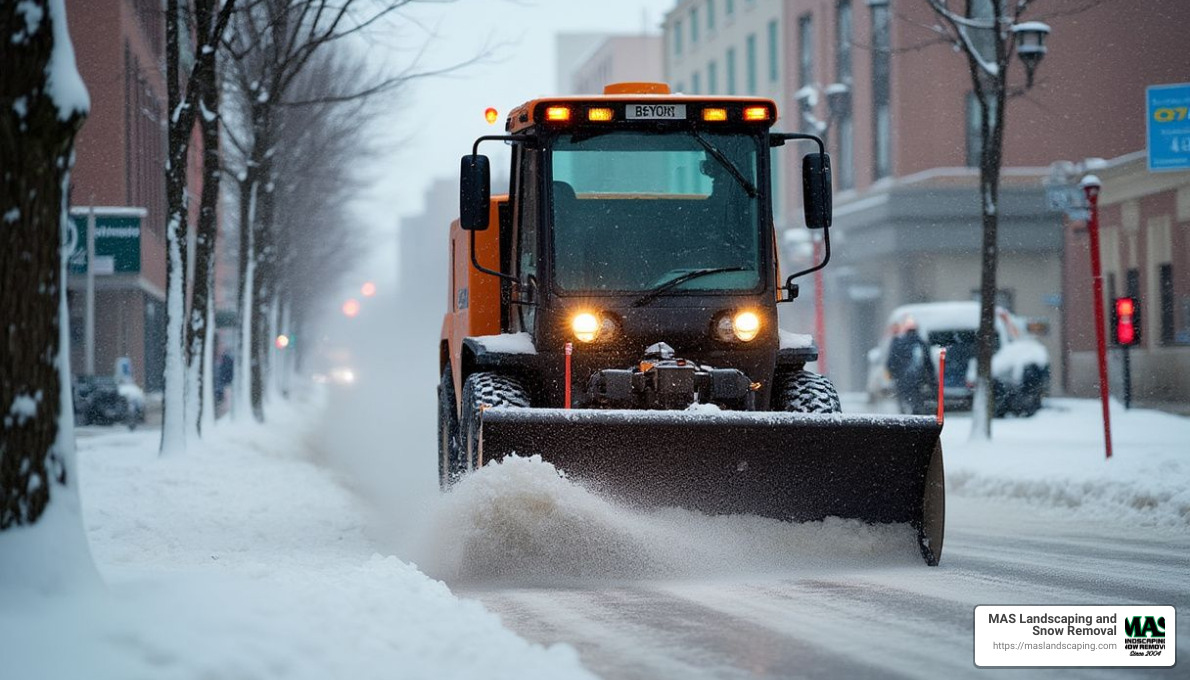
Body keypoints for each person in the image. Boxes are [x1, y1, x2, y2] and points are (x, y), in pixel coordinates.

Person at [886, 318, 934, 415]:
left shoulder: (898, 343)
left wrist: (894, 376)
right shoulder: (922, 344)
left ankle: (904, 423)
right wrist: (931, 381)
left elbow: (890, 363)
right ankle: (916, 422)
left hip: (902, 380)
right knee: (917, 406)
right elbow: (929, 365)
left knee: (903, 406)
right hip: (919, 382)